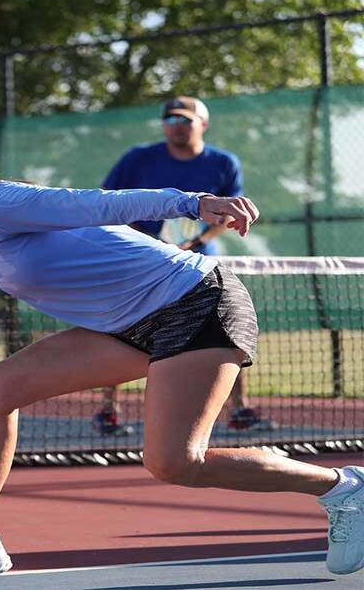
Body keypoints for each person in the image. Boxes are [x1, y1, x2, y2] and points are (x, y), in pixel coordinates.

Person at [0, 126, 363, 578]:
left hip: (195, 301)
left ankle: (343, 489)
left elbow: (92, 204)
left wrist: (193, 201)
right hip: (126, 324)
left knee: (174, 463)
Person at [94, 96, 271, 437]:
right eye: (171, 120)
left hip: (201, 265)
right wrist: (144, 243)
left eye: (185, 120)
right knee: (119, 324)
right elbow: (107, 203)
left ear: (202, 123)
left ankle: (239, 410)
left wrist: (197, 243)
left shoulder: (223, 162)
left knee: (227, 328)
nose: (177, 126)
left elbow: (231, 213)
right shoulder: (138, 158)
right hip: (142, 257)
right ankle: (108, 411)